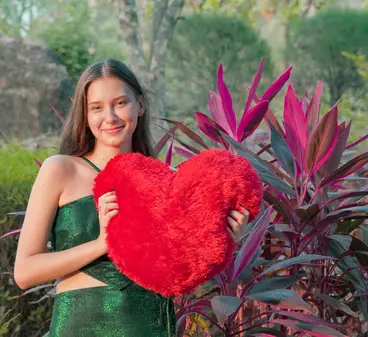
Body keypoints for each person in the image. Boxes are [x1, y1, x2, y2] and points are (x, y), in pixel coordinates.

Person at [13, 58, 250, 337]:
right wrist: (102, 243)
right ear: (85, 115)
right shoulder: (61, 169)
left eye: (120, 103)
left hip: (148, 326)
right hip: (79, 328)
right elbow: (25, 272)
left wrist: (225, 241)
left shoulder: (167, 182)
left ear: (140, 105)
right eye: (97, 108)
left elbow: (180, 275)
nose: (110, 117)